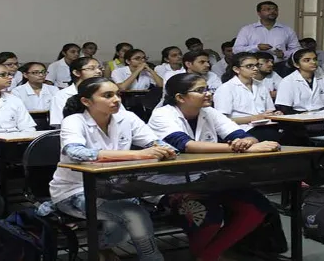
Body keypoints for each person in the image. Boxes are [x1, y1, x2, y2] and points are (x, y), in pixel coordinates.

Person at [148, 73, 280, 261]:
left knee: (256, 206)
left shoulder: (208, 111)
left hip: (209, 179)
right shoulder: (162, 114)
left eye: (208, 89)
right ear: (180, 97)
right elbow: (187, 146)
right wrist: (243, 149)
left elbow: (241, 134)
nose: (208, 94)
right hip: (171, 182)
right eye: (201, 90)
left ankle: (208, 256)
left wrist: (246, 142)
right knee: (207, 215)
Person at [50, 77, 173, 261]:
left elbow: (156, 142)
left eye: (118, 94)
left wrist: (164, 149)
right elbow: (76, 152)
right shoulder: (74, 121)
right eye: (108, 95)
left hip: (113, 188)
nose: (116, 100)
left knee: (134, 208)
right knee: (133, 213)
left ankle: (103, 247)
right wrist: (139, 154)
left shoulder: (127, 118)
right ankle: (152, 258)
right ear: (86, 101)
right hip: (74, 191)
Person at [215, 53, 281, 141]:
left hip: (264, 125)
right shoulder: (226, 88)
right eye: (249, 66)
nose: (255, 69)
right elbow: (221, 121)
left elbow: (269, 110)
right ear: (236, 69)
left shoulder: (261, 86)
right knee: (270, 136)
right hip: (240, 128)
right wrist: (254, 118)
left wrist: (274, 114)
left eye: (257, 65)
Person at [233, 1, 301, 64]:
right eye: (268, 9)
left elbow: (297, 51)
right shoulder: (247, 30)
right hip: (254, 67)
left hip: (279, 66)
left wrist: (284, 54)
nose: (272, 11)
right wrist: (257, 47)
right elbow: (236, 50)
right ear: (258, 13)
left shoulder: (287, 30)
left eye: (275, 9)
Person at [275, 49, 324, 114]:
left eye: (315, 59)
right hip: (297, 118)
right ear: (296, 64)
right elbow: (285, 108)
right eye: (307, 60)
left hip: (322, 116)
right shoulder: (287, 81)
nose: (313, 62)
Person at [49, 57, 103, 127]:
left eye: (100, 68)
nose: (99, 71)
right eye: (91, 68)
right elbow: (59, 123)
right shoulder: (62, 95)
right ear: (76, 72)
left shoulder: (106, 92)